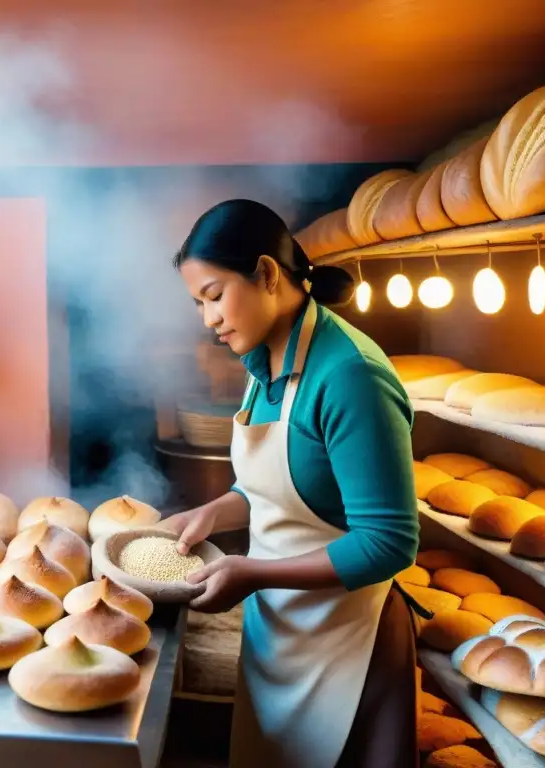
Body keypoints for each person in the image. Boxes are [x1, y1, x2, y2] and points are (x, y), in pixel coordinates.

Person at [161, 199, 422, 768]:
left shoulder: (351, 376)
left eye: (213, 295)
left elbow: (389, 544)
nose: (207, 319)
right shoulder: (266, 357)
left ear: (267, 274)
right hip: (278, 631)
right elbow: (278, 490)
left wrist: (252, 573)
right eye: (197, 304)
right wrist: (213, 511)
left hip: (346, 643)